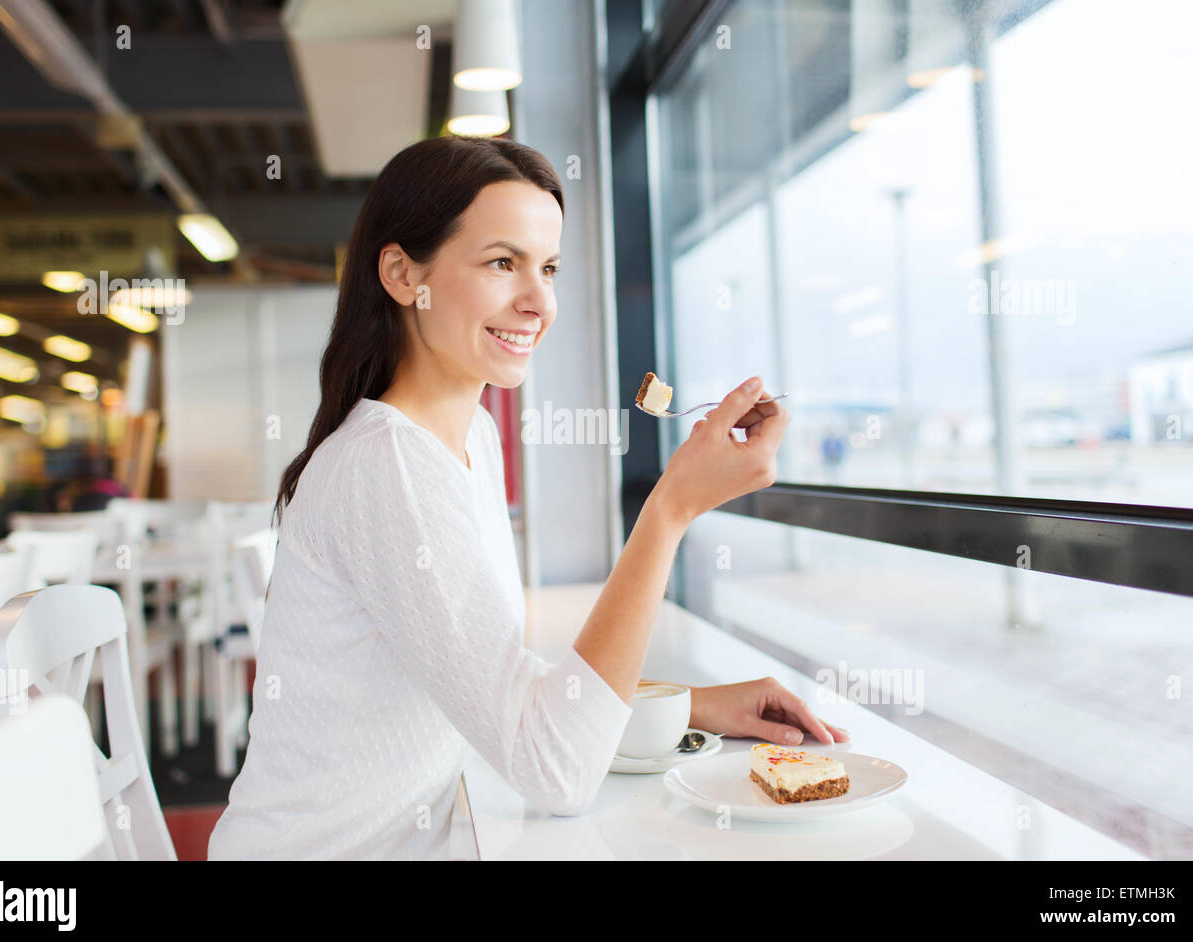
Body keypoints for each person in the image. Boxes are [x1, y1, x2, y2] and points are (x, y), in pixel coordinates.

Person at [207, 135, 848, 860]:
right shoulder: (385, 466)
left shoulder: (471, 436)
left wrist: (692, 706)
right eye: (502, 262)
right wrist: (670, 509)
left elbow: (501, 691)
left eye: (547, 267)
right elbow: (555, 768)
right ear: (401, 273)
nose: (538, 301)